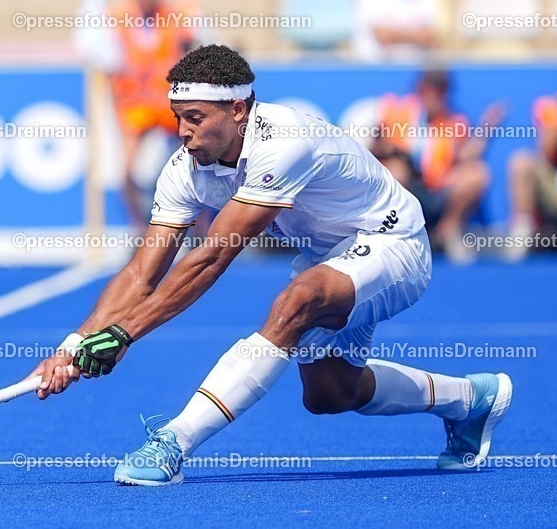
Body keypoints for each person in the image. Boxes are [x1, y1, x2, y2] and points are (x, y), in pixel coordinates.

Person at [28, 45, 512, 486]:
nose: (183, 132)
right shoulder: (183, 169)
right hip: (328, 257)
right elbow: (140, 274)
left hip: (393, 242)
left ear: (237, 110)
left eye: (195, 118)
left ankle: (174, 442)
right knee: (330, 394)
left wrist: (123, 336)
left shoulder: (283, 141)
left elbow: (212, 256)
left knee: (295, 303)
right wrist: (76, 346)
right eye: (178, 118)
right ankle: (471, 401)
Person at [372, 70, 502, 262]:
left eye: (439, 90)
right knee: (395, 171)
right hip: (407, 189)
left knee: (477, 174)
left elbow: (466, 157)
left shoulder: (455, 121)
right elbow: (374, 150)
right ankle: (393, 234)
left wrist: (485, 129)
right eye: (428, 89)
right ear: (419, 89)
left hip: (439, 190)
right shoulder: (396, 114)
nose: (433, 95)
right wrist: (393, 152)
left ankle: (447, 232)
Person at [108, 0, 199, 227]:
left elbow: (196, 45)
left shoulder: (177, 16)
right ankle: (139, 228)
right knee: (126, 169)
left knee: (201, 161)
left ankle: (201, 229)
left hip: (172, 103)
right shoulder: (117, 19)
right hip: (135, 106)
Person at [506, 96, 557, 261]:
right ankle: (523, 233)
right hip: (551, 180)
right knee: (521, 162)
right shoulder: (548, 106)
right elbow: (548, 145)